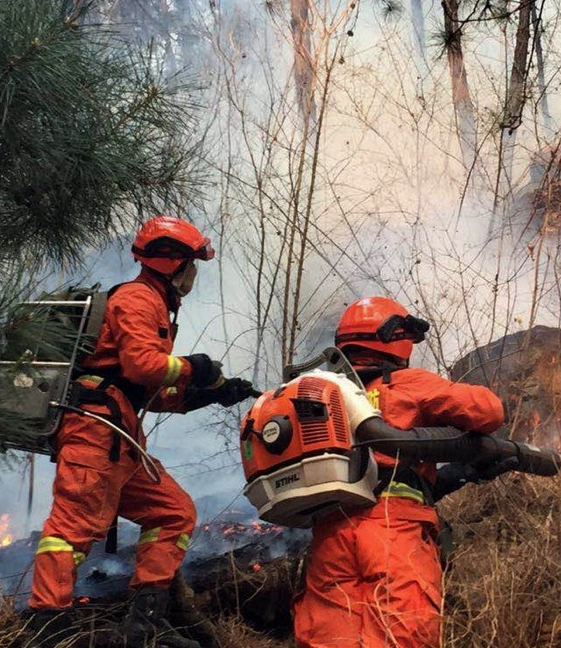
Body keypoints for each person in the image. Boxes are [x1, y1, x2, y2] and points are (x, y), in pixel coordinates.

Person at [27, 216, 257, 647]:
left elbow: (150, 391)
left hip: (119, 435)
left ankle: (145, 624)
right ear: (174, 263)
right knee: (72, 527)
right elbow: (142, 366)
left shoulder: (154, 303)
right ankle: (47, 627)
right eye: (192, 264)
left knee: (173, 513)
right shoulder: (137, 298)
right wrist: (194, 367)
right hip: (95, 431)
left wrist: (213, 394)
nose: (194, 275)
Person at [293, 296, 505, 647]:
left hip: (330, 537)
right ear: (396, 339)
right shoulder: (405, 382)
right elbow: (488, 410)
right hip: (392, 530)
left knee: (328, 638)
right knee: (403, 633)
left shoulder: (318, 395)